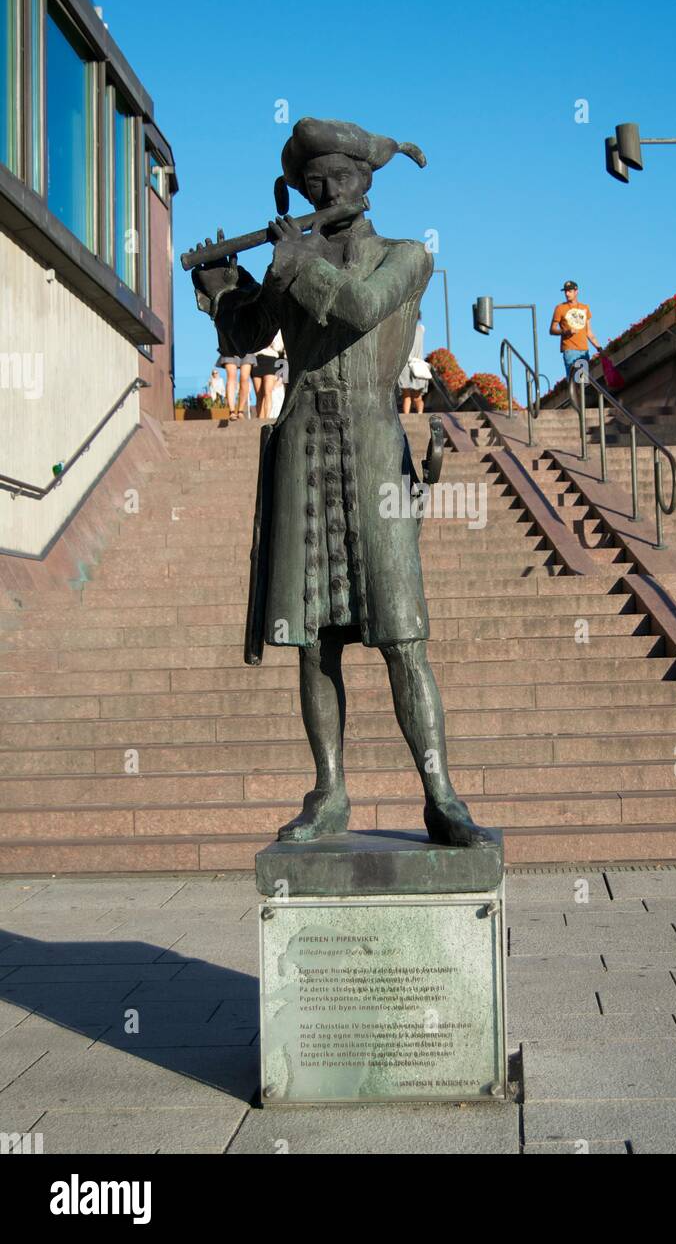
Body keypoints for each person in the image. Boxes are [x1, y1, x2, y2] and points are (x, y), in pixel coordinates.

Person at [188, 115, 492, 848]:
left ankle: (440, 792)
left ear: (367, 183)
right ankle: (328, 791)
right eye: (314, 182)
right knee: (313, 639)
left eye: (342, 179)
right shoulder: (293, 257)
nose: (328, 190)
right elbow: (247, 337)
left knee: (402, 634)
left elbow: (358, 308)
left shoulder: (406, 256)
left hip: (372, 443)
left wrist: (294, 265)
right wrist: (223, 288)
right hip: (303, 447)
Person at [550, 279, 600, 378]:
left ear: (576, 292)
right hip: (570, 350)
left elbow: (589, 332)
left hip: (584, 350)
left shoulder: (585, 308)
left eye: (570, 291)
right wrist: (566, 331)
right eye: (565, 291)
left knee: (583, 381)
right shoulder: (560, 308)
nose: (567, 293)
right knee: (575, 380)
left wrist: (599, 348)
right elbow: (552, 330)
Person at [398, 314, 430, 413]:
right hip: (418, 365)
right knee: (417, 397)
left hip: (406, 364)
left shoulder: (403, 329)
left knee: (406, 395)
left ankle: (406, 418)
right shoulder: (421, 329)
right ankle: (420, 415)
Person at [252, 331, 285, 420]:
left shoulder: (278, 331)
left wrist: (271, 342)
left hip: (271, 359)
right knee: (259, 394)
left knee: (268, 391)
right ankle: (260, 417)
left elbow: (280, 347)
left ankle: (266, 418)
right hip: (257, 359)